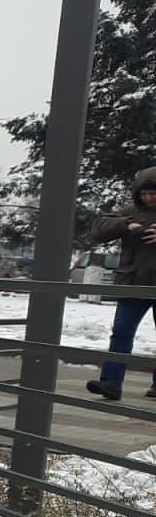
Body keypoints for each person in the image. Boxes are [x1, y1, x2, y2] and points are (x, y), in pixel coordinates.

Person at [86, 166, 156, 402]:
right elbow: (98, 229)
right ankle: (111, 383)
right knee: (121, 332)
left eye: (153, 193)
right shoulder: (130, 212)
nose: (148, 198)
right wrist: (125, 225)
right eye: (144, 193)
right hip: (133, 283)